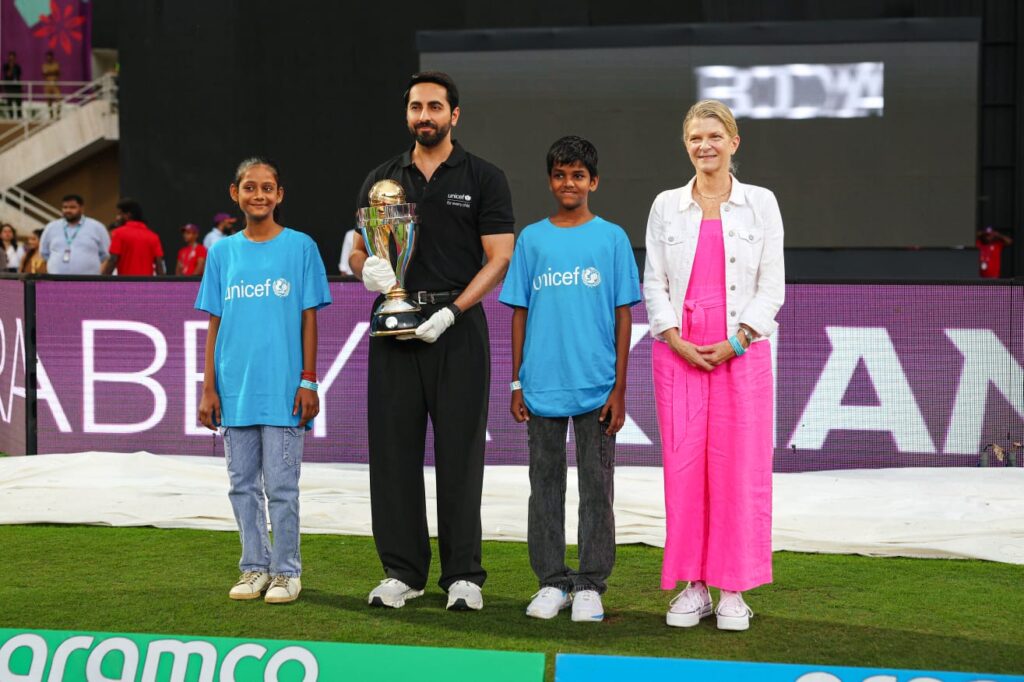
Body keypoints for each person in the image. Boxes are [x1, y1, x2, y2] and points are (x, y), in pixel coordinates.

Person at [350, 71, 514, 612]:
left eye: (435, 107)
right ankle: (402, 572)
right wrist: (366, 270)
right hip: (393, 326)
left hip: (457, 328)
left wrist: (453, 311)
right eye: (417, 107)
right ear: (407, 114)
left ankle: (463, 575)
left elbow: (500, 257)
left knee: (460, 454)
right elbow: (357, 248)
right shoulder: (382, 178)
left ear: (454, 114)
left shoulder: (484, 176)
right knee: (392, 455)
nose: (425, 115)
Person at [644, 100, 784, 632]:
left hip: (741, 356)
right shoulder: (666, 205)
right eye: (695, 138)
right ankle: (694, 586)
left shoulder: (761, 203)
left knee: (738, 473)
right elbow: (654, 281)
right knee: (684, 473)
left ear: (733, 142)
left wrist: (738, 339)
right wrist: (674, 339)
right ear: (686, 146)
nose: (705, 146)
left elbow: (772, 285)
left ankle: (733, 590)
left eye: (714, 136)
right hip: (678, 355)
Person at [500, 136, 640, 622]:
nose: (568, 183)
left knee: (597, 489)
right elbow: (519, 312)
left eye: (578, 175)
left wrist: (619, 388)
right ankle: (552, 581)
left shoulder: (612, 238)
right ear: (549, 181)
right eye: (560, 175)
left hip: (597, 387)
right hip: (541, 386)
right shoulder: (532, 240)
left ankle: (590, 584)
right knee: (544, 487)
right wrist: (516, 382)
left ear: (593, 182)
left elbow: (624, 315)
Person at [196, 157, 331, 605]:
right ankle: (253, 567)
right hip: (234, 390)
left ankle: (286, 572)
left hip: (284, 390)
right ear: (234, 193)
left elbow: (309, 319)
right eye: (250, 187)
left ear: (279, 195)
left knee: (282, 488)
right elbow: (215, 323)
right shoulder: (221, 253)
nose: (259, 195)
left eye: (267, 187)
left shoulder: (301, 247)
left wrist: (309, 381)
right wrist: (208, 388)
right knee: (242, 486)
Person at [39, 194, 110, 275]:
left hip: (88, 280)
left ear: (82, 208)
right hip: (56, 279)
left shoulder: (97, 227)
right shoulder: (51, 227)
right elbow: (44, 253)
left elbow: (106, 255)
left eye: (72, 207)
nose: (68, 210)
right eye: (65, 207)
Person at [103, 198, 166, 276]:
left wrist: (103, 280)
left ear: (128, 215)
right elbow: (159, 264)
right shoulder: (154, 236)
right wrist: (163, 282)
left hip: (125, 282)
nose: (117, 217)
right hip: (147, 283)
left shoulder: (118, 233)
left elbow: (113, 260)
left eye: (120, 214)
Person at [2, 51, 22, 120]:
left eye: (13, 58)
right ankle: (11, 117)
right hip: (9, 87)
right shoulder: (6, 66)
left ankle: (19, 117)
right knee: (9, 102)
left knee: (18, 103)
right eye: (10, 58)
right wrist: (11, 67)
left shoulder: (17, 67)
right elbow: (8, 75)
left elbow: (19, 76)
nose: (12, 59)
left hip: (16, 87)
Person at [41, 51, 61, 118]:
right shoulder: (44, 65)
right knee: (49, 101)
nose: (49, 58)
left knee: (58, 99)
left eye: (50, 57)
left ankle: (58, 114)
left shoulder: (56, 64)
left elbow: (57, 71)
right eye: (47, 57)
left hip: (55, 84)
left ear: (52, 57)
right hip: (47, 84)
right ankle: (51, 116)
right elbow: (44, 73)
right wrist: (52, 71)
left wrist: (49, 71)